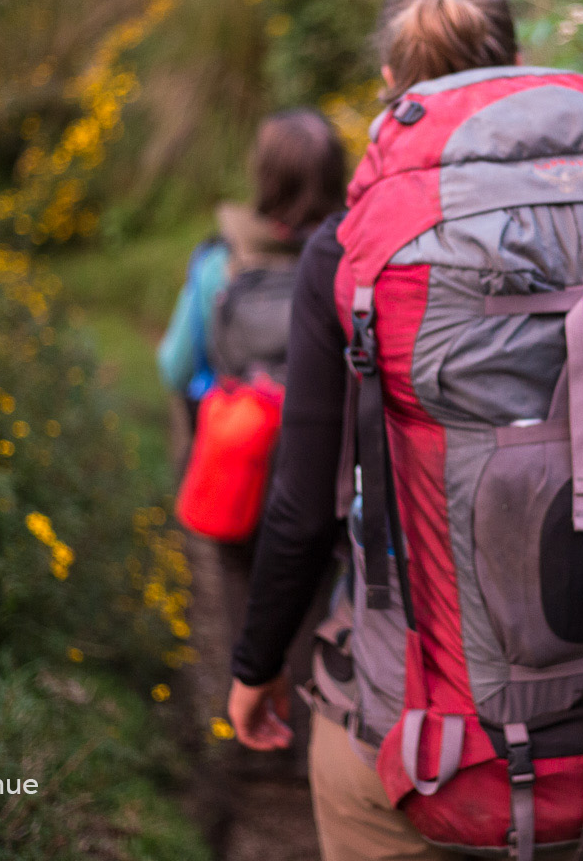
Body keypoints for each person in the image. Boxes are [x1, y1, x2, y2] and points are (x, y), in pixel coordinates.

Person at [228, 0, 583, 861]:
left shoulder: (351, 250)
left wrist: (256, 667)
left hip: (426, 737)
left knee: (354, 783)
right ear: (511, 65)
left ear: (391, 85)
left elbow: (303, 508)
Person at [157, 108, 347, 767]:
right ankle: (315, 743)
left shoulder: (220, 260)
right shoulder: (353, 257)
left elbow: (175, 365)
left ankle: (252, 735)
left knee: (245, 591)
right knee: (320, 594)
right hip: (327, 466)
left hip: (241, 458)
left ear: (261, 176)